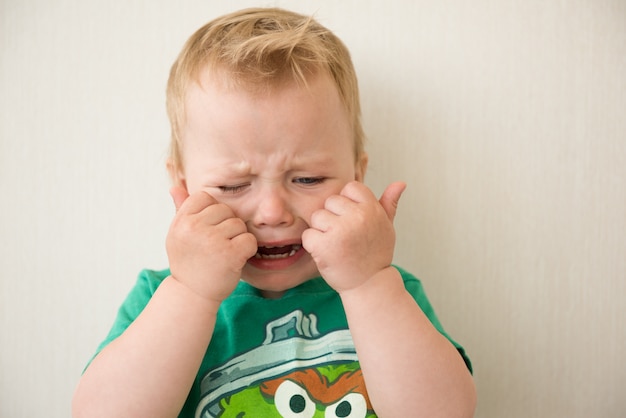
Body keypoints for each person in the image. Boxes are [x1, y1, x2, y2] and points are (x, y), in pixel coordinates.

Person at [72, 7, 476, 418]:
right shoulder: (163, 298)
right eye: (233, 185)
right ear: (182, 185)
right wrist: (191, 293)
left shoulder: (387, 291)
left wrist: (368, 284)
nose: (272, 212)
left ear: (357, 175)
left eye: (308, 179)